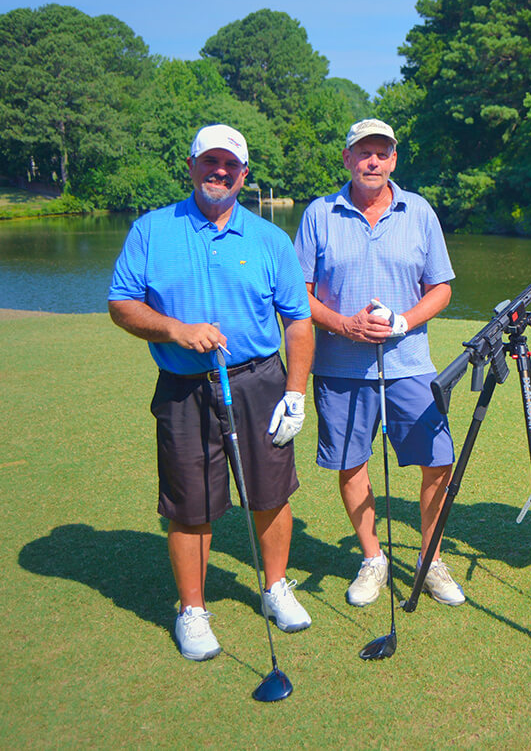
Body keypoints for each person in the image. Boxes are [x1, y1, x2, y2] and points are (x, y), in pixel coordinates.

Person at [108, 123, 315, 661]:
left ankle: (275, 587)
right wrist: (175, 330)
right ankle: (193, 611)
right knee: (190, 504)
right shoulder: (152, 230)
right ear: (192, 165)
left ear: (244, 174)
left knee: (271, 492)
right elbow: (122, 305)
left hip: (259, 381)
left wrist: (295, 393)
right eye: (210, 162)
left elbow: (297, 321)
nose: (219, 171)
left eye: (230, 165)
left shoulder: (270, 239)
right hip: (185, 386)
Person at [293, 118, 464, 608]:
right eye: (363, 153)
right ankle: (373, 558)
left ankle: (430, 556)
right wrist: (343, 324)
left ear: (394, 159)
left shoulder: (419, 211)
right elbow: (299, 296)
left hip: (409, 362)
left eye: (382, 153)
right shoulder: (320, 214)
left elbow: (442, 288)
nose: (373, 161)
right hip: (341, 366)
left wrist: (405, 321)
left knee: (438, 459)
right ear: (347, 159)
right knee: (351, 463)